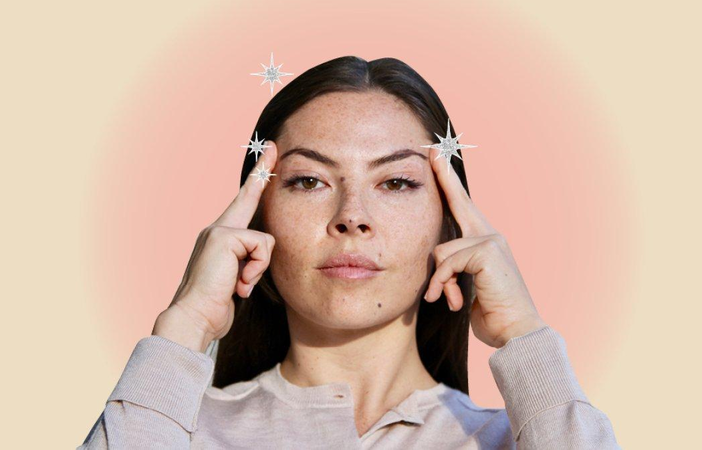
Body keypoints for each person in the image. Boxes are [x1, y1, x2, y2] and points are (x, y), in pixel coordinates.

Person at [78, 56, 621, 449]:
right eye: (309, 180)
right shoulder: (171, 428)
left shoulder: (527, 437)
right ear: (256, 222)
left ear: (449, 226)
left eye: (397, 183)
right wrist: (185, 326)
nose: (352, 215)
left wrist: (524, 334)